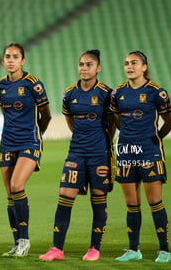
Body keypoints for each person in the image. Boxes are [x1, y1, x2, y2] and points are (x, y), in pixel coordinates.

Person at [39, 49, 116, 262]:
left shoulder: (107, 93)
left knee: (98, 199)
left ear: (98, 68)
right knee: (64, 195)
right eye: (81, 64)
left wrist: (100, 141)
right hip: (76, 152)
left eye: (89, 64)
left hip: (100, 153)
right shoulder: (69, 93)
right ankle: (57, 249)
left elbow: (111, 123)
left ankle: (94, 248)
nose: (84, 68)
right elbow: (71, 123)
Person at [110, 51, 171, 263]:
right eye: (126, 63)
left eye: (134, 63)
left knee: (155, 202)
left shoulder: (157, 92)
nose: (129, 66)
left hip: (149, 152)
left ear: (144, 67)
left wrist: (155, 140)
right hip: (126, 152)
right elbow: (117, 120)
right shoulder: (118, 93)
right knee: (132, 204)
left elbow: (170, 122)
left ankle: (164, 250)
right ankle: (133, 250)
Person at [0, 43, 52, 257]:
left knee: (17, 185)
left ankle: (25, 240)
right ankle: (16, 242)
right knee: (10, 194)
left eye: (15, 56)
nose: (11, 60)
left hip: (29, 141)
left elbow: (46, 115)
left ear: (23, 61)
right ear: (3, 61)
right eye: (7, 56)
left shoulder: (33, 84)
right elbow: (5, 112)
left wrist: (36, 134)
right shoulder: (0, 86)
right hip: (8, 142)